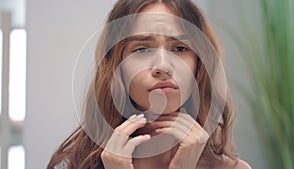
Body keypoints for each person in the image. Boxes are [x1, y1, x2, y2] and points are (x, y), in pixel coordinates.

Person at [47, 0, 252, 169]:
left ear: (199, 64)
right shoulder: (71, 165)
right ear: (116, 66)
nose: (163, 66)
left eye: (180, 48)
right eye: (142, 49)